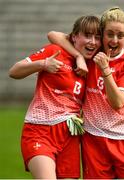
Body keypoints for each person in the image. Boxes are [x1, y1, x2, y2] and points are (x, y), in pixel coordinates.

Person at [48, 7, 124, 179]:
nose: (114, 40)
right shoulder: (91, 55)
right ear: (102, 35)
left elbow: (117, 102)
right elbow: (53, 35)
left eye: (120, 35)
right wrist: (78, 56)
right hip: (93, 140)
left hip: (123, 139)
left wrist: (105, 70)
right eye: (110, 34)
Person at [8, 15, 101, 179]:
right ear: (74, 37)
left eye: (97, 37)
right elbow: (14, 71)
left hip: (70, 136)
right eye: (87, 35)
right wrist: (43, 64)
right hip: (40, 130)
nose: (92, 42)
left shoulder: (94, 63)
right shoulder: (55, 52)